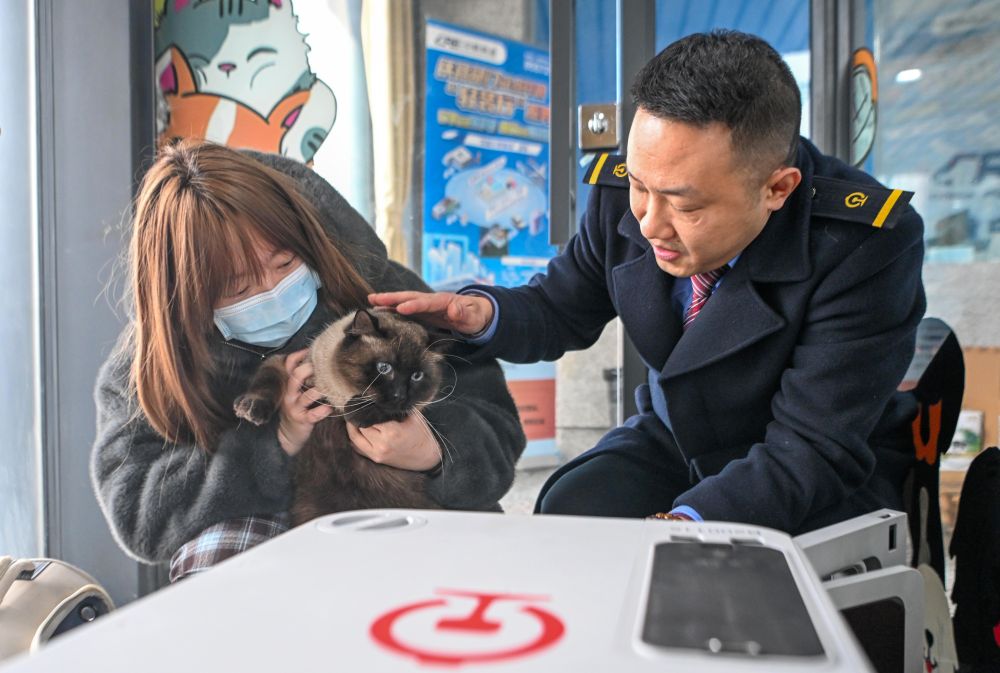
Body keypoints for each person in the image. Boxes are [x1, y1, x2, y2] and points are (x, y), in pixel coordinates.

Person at [370, 30, 926, 535]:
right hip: (678, 436)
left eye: (686, 206)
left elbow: (813, 446)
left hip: (806, 463)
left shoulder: (864, 243)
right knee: (572, 510)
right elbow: (562, 305)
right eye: (640, 187)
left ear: (777, 189)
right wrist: (482, 315)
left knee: (711, 581)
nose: (649, 224)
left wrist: (682, 526)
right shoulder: (631, 191)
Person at [91, 139, 525, 580]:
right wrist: (269, 446)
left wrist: (433, 451)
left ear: (306, 238)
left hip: (420, 516)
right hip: (267, 545)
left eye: (284, 263)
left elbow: (498, 432)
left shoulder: (379, 292)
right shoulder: (149, 368)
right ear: (188, 296)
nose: (272, 291)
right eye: (238, 288)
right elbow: (140, 516)